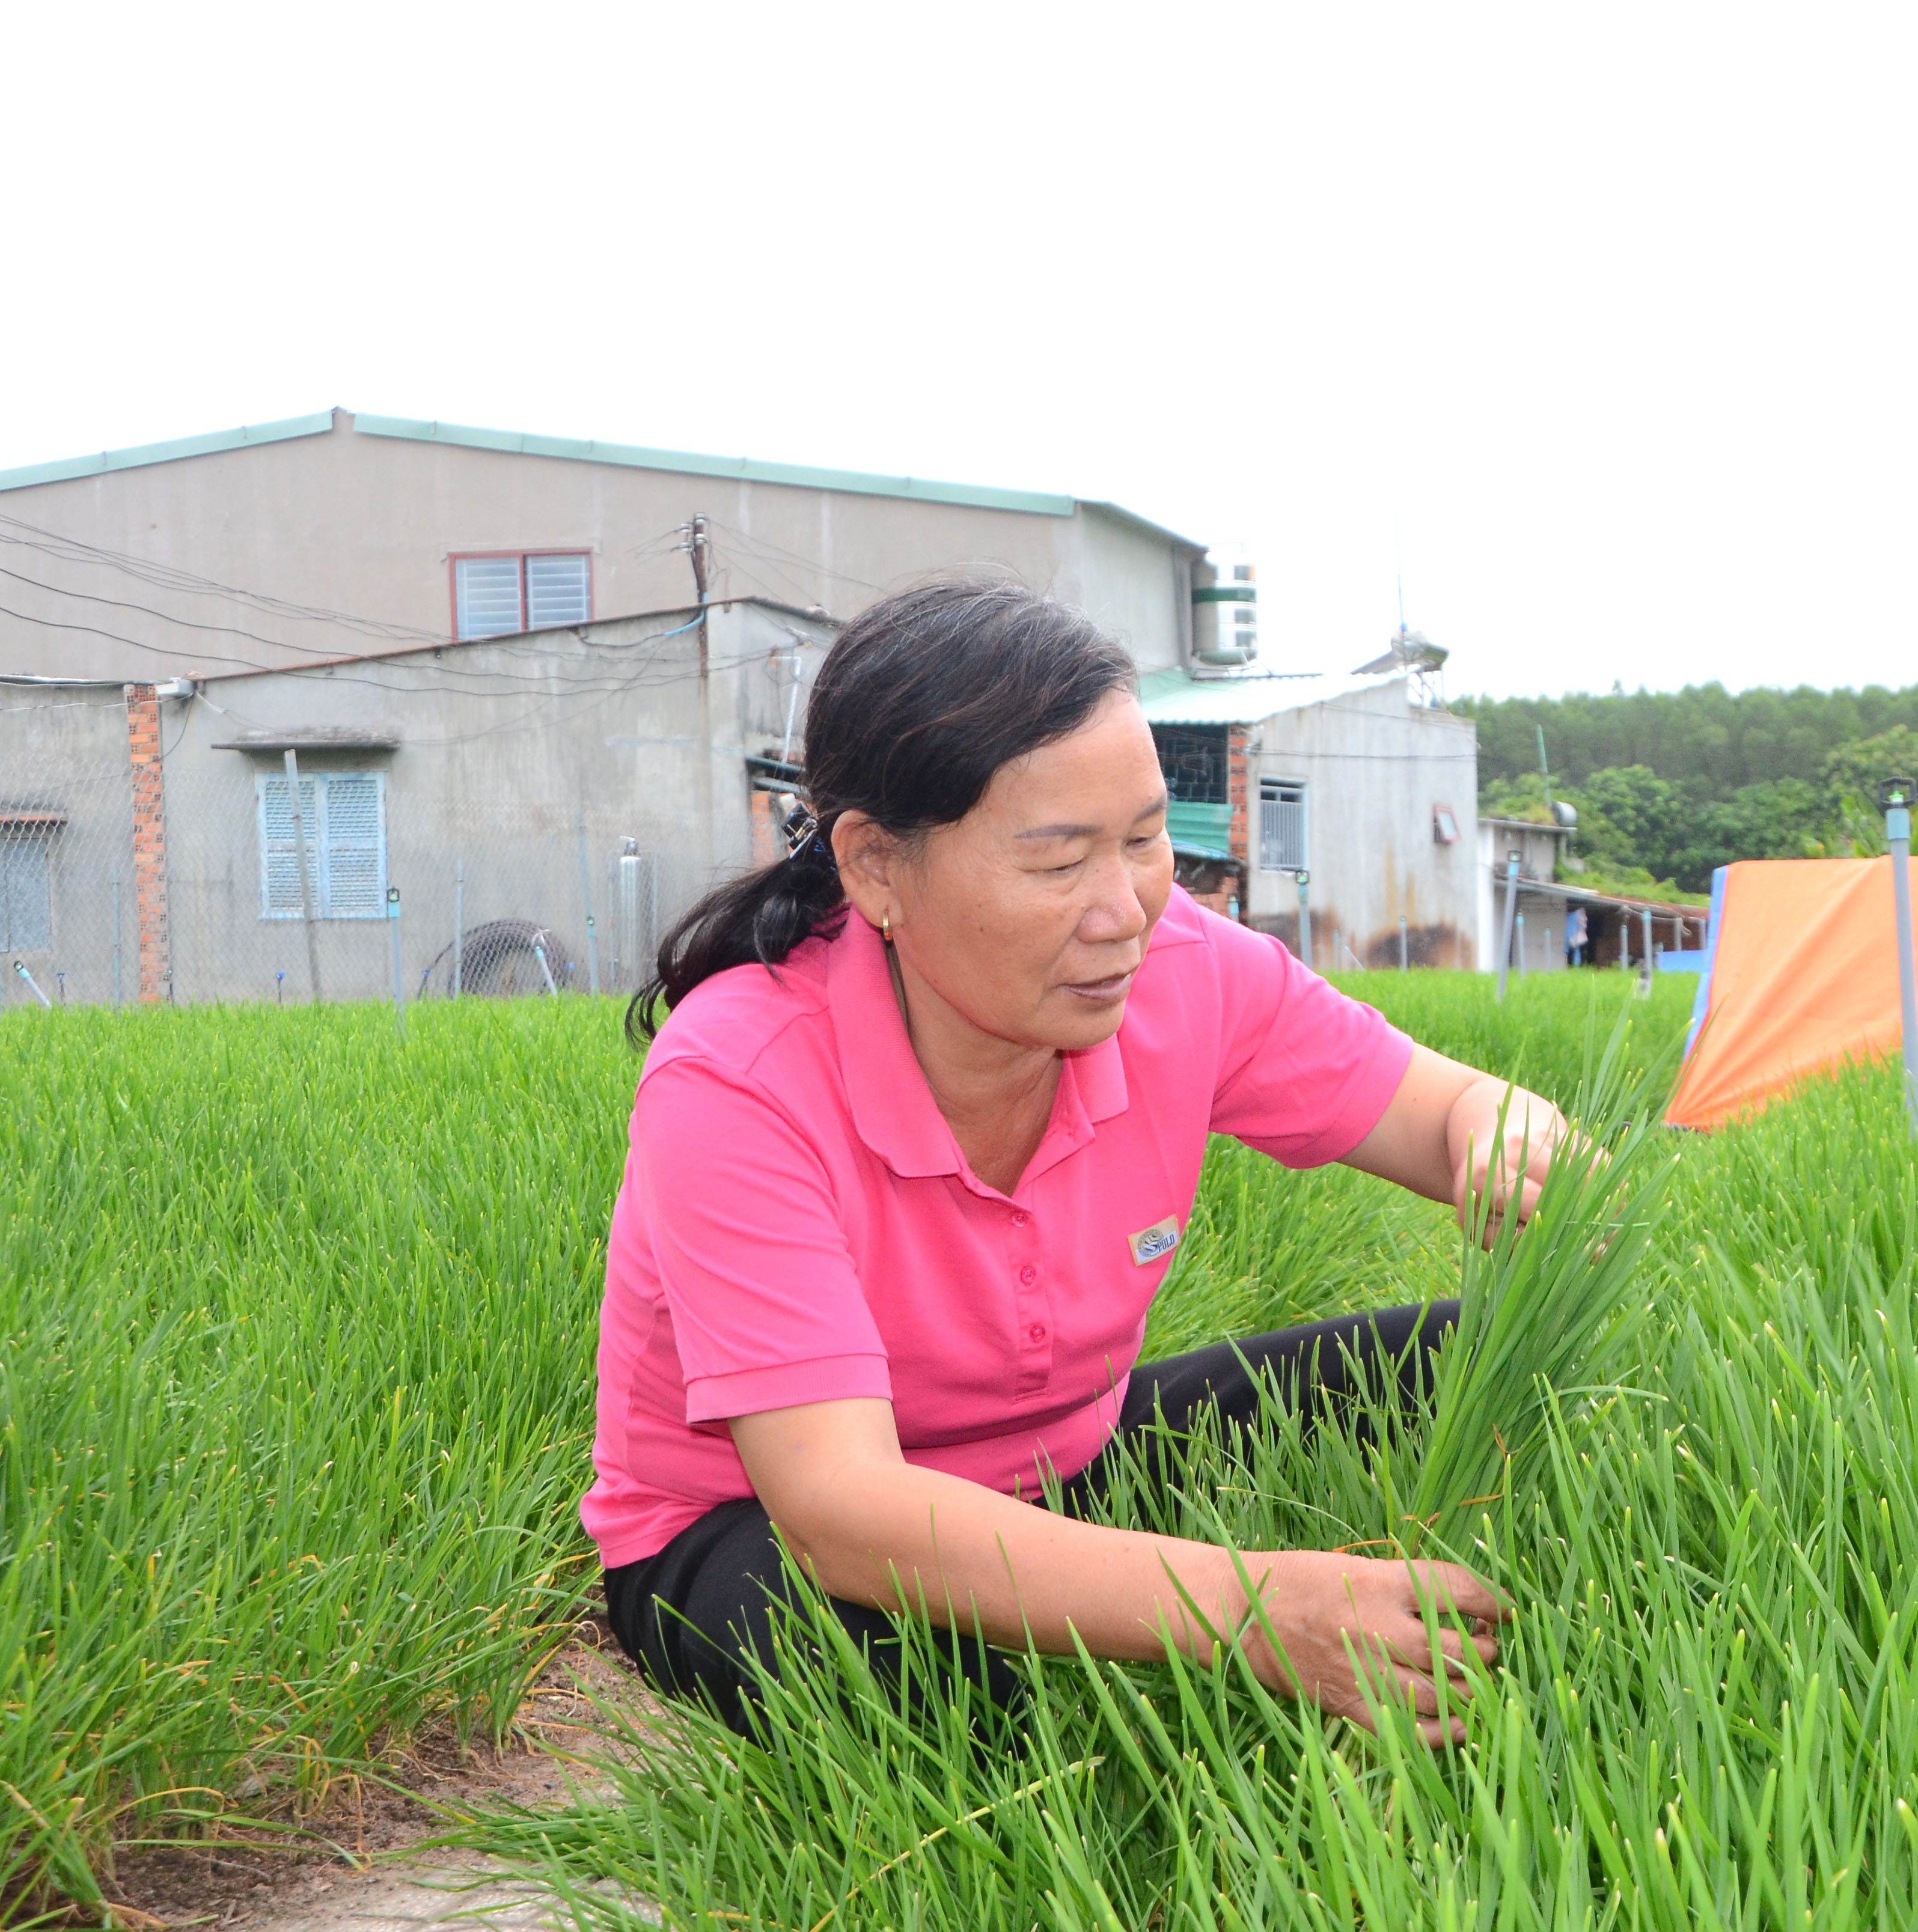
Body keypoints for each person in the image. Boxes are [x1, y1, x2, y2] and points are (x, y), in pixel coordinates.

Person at [585, 576, 1568, 1747]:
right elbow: (837, 1508)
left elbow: (1447, 1109)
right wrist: (1248, 1610)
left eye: (1146, 842)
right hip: (755, 1526)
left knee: (1485, 1351)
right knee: (943, 1696)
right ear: (876, 867)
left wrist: (1508, 1140)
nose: (1125, 912)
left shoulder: (1186, 969)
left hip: (1065, 1458)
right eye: (1059, 864)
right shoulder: (739, 1075)